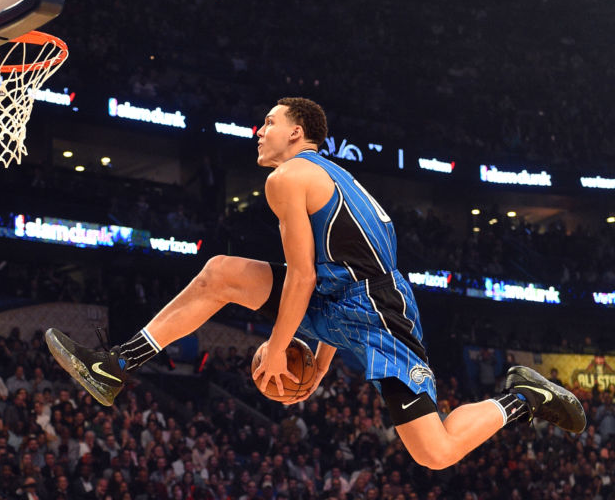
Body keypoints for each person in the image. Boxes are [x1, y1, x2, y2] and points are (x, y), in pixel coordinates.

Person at [46, 97, 586, 470]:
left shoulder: (288, 178)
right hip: (345, 299)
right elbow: (332, 276)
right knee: (221, 273)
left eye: (268, 123)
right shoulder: (333, 177)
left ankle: (522, 397)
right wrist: (320, 365)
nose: (259, 132)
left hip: (381, 317)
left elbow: (305, 277)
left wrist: (280, 350)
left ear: (296, 133)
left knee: (435, 451)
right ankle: (115, 364)